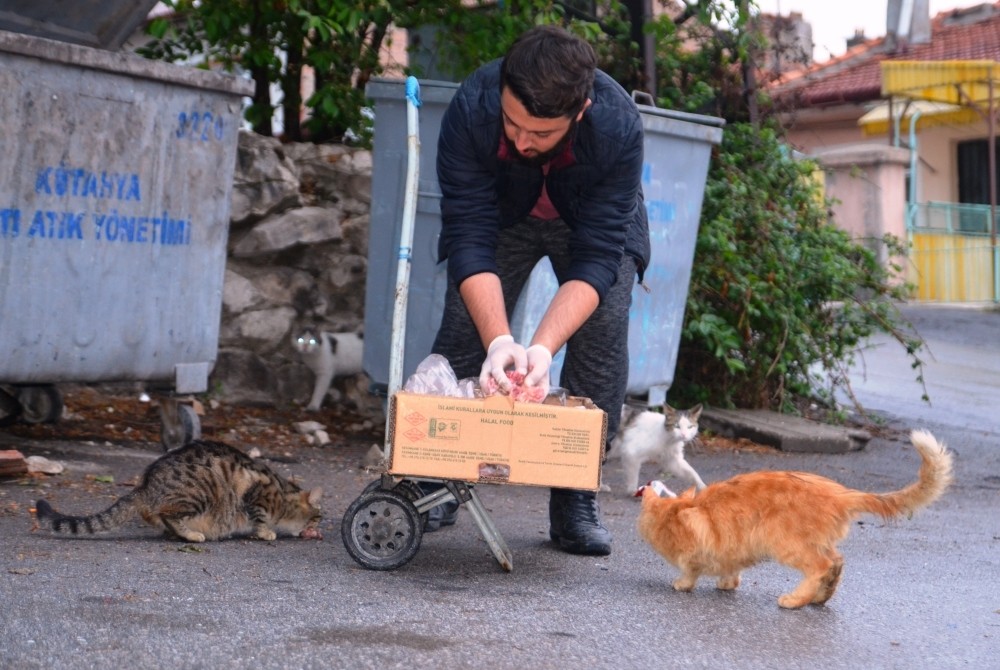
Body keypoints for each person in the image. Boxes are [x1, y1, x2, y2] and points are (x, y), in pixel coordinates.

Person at [427, 24, 650, 556]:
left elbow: (599, 256)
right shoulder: (472, 109)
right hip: (504, 218)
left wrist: (542, 349)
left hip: (588, 227)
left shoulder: (618, 126)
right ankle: (439, 478)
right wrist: (502, 341)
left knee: (602, 330)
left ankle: (575, 494)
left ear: (580, 111)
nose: (522, 141)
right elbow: (470, 237)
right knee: (464, 329)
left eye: (541, 133)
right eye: (512, 124)